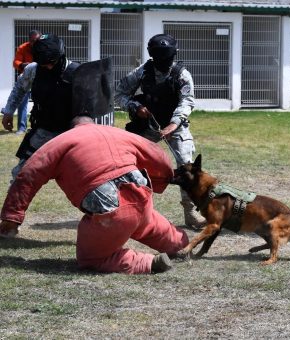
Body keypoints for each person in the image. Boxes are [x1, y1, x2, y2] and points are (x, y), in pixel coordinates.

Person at [0, 116, 189, 274]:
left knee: (91, 258)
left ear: (72, 127)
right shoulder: (117, 132)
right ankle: (180, 244)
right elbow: (157, 154)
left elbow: (28, 175)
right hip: (140, 194)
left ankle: (147, 263)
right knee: (146, 223)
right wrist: (161, 181)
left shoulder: (61, 141)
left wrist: (12, 217)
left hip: (109, 211)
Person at [115, 33, 206, 230]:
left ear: (174, 55)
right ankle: (128, 208)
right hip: (147, 126)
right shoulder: (143, 71)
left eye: (167, 59)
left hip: (175, 126)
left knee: (187, 166)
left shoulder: (182, 75)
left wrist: (173, 125)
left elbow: (187, 102)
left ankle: (190, 213)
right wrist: (133, 107)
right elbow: (119, 93)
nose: (163, 64)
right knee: (127, 162)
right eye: (159, 59)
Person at [1, 33, 79, 181]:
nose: (48, 67)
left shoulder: (76, 72)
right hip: (43, 131)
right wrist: (9, 111)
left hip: (71, 133)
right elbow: (19, 89)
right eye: (44, 64)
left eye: (52, 62)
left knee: (85, 178)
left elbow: (90, 106)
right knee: (21, 176)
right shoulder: (33, 69)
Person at [12, 29, 42, 135]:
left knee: (42, 103)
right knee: (22, 103)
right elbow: (15, 62)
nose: (35, 43)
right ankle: (21, 127)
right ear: (29, 40)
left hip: (40, 79)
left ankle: (40, 126)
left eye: (37, 40)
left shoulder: (44, 47)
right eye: (32, 41)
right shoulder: (23, 47)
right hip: (25, 79)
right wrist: (23, 65)